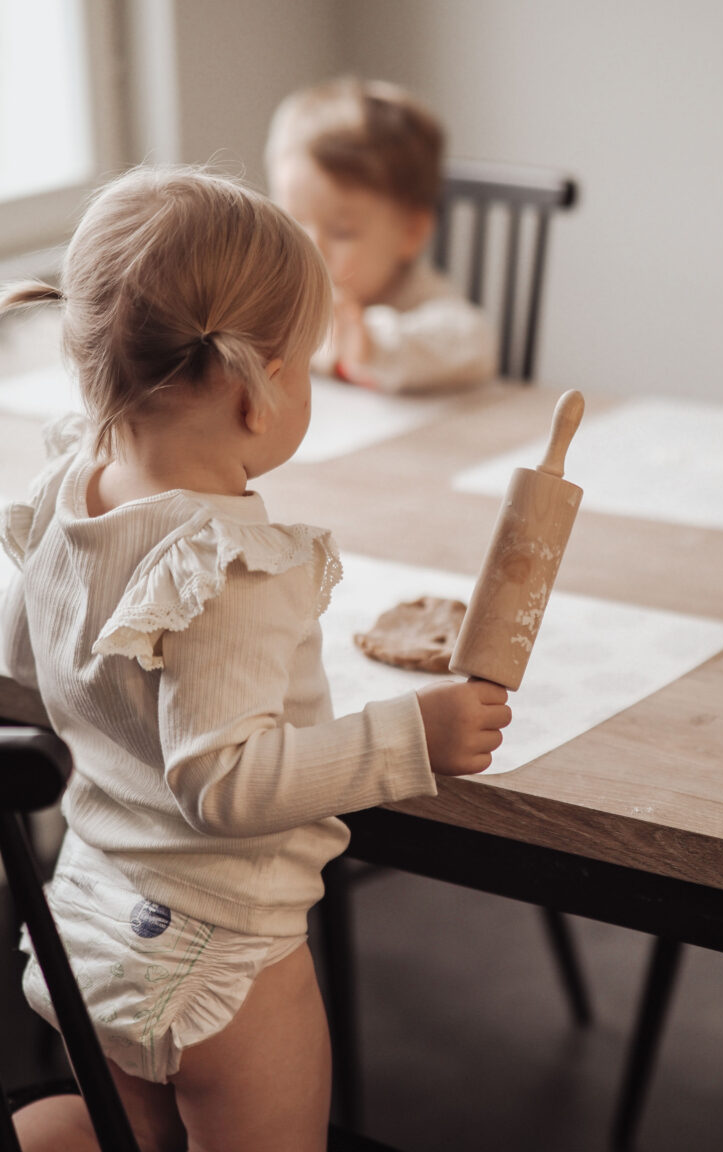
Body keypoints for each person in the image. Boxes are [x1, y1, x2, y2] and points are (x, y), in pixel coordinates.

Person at [0, 165, 511, 1152]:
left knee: (125, 1136)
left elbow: (23, 664)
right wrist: (411, 734)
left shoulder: (72, 491)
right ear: (253, 390)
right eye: (308, 365)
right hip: (222, 956)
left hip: (89, 919)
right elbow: (224, 785)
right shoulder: (229, 566)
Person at [265, 76, 496, 394]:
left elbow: (475, 344)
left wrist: (372, 343)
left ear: (411, 233)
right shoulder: (284, 294)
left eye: (341, 232)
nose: (311, 246)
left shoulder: (417, 293)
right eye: (292, 222)